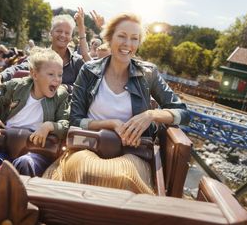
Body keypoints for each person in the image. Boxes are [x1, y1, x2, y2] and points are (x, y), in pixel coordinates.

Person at [43, 13, 190, 194]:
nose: (127, 44)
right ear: (110, 38)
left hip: (132, 152)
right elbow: (75, 119)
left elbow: (183, 113)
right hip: (88, 145)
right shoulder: (89, 71)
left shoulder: (148, 73)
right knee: (85, 170)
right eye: (121, 36)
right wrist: (110, 124)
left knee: (122, 177)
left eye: (134, 39)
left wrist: (151, 115)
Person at [0, 47, 70, 177]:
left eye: (60, 75)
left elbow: (65, 123)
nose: (57, 79)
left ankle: (20, 195)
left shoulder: (60, 96)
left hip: (37, 151)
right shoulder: (16, 87)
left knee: (25, 163)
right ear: (34, 74)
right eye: (51, 74)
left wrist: (50, 126)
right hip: (4, 145)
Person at [0, 14, 84, 92]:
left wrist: (65, 87)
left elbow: (83, 88)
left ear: (71, 37)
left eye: (67, 33)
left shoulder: (77, 62)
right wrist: (0, 76)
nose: (63, 35)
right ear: (51, 33)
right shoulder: (40, 56)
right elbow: (20, 67)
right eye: (59, 31)